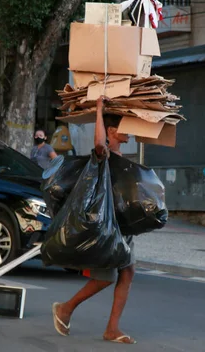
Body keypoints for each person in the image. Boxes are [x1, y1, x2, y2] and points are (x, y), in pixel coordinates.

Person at [51, 96, 137, 345]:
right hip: (105, 227)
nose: (128, 132)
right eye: (122, 128)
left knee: (128, 272)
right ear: (111, 131)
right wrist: (99, 110)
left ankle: (112, 328)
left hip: (121, 225)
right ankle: (65, 308)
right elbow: (99, 143)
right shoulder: (103, 155)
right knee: (105, 277)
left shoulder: (120, 155)